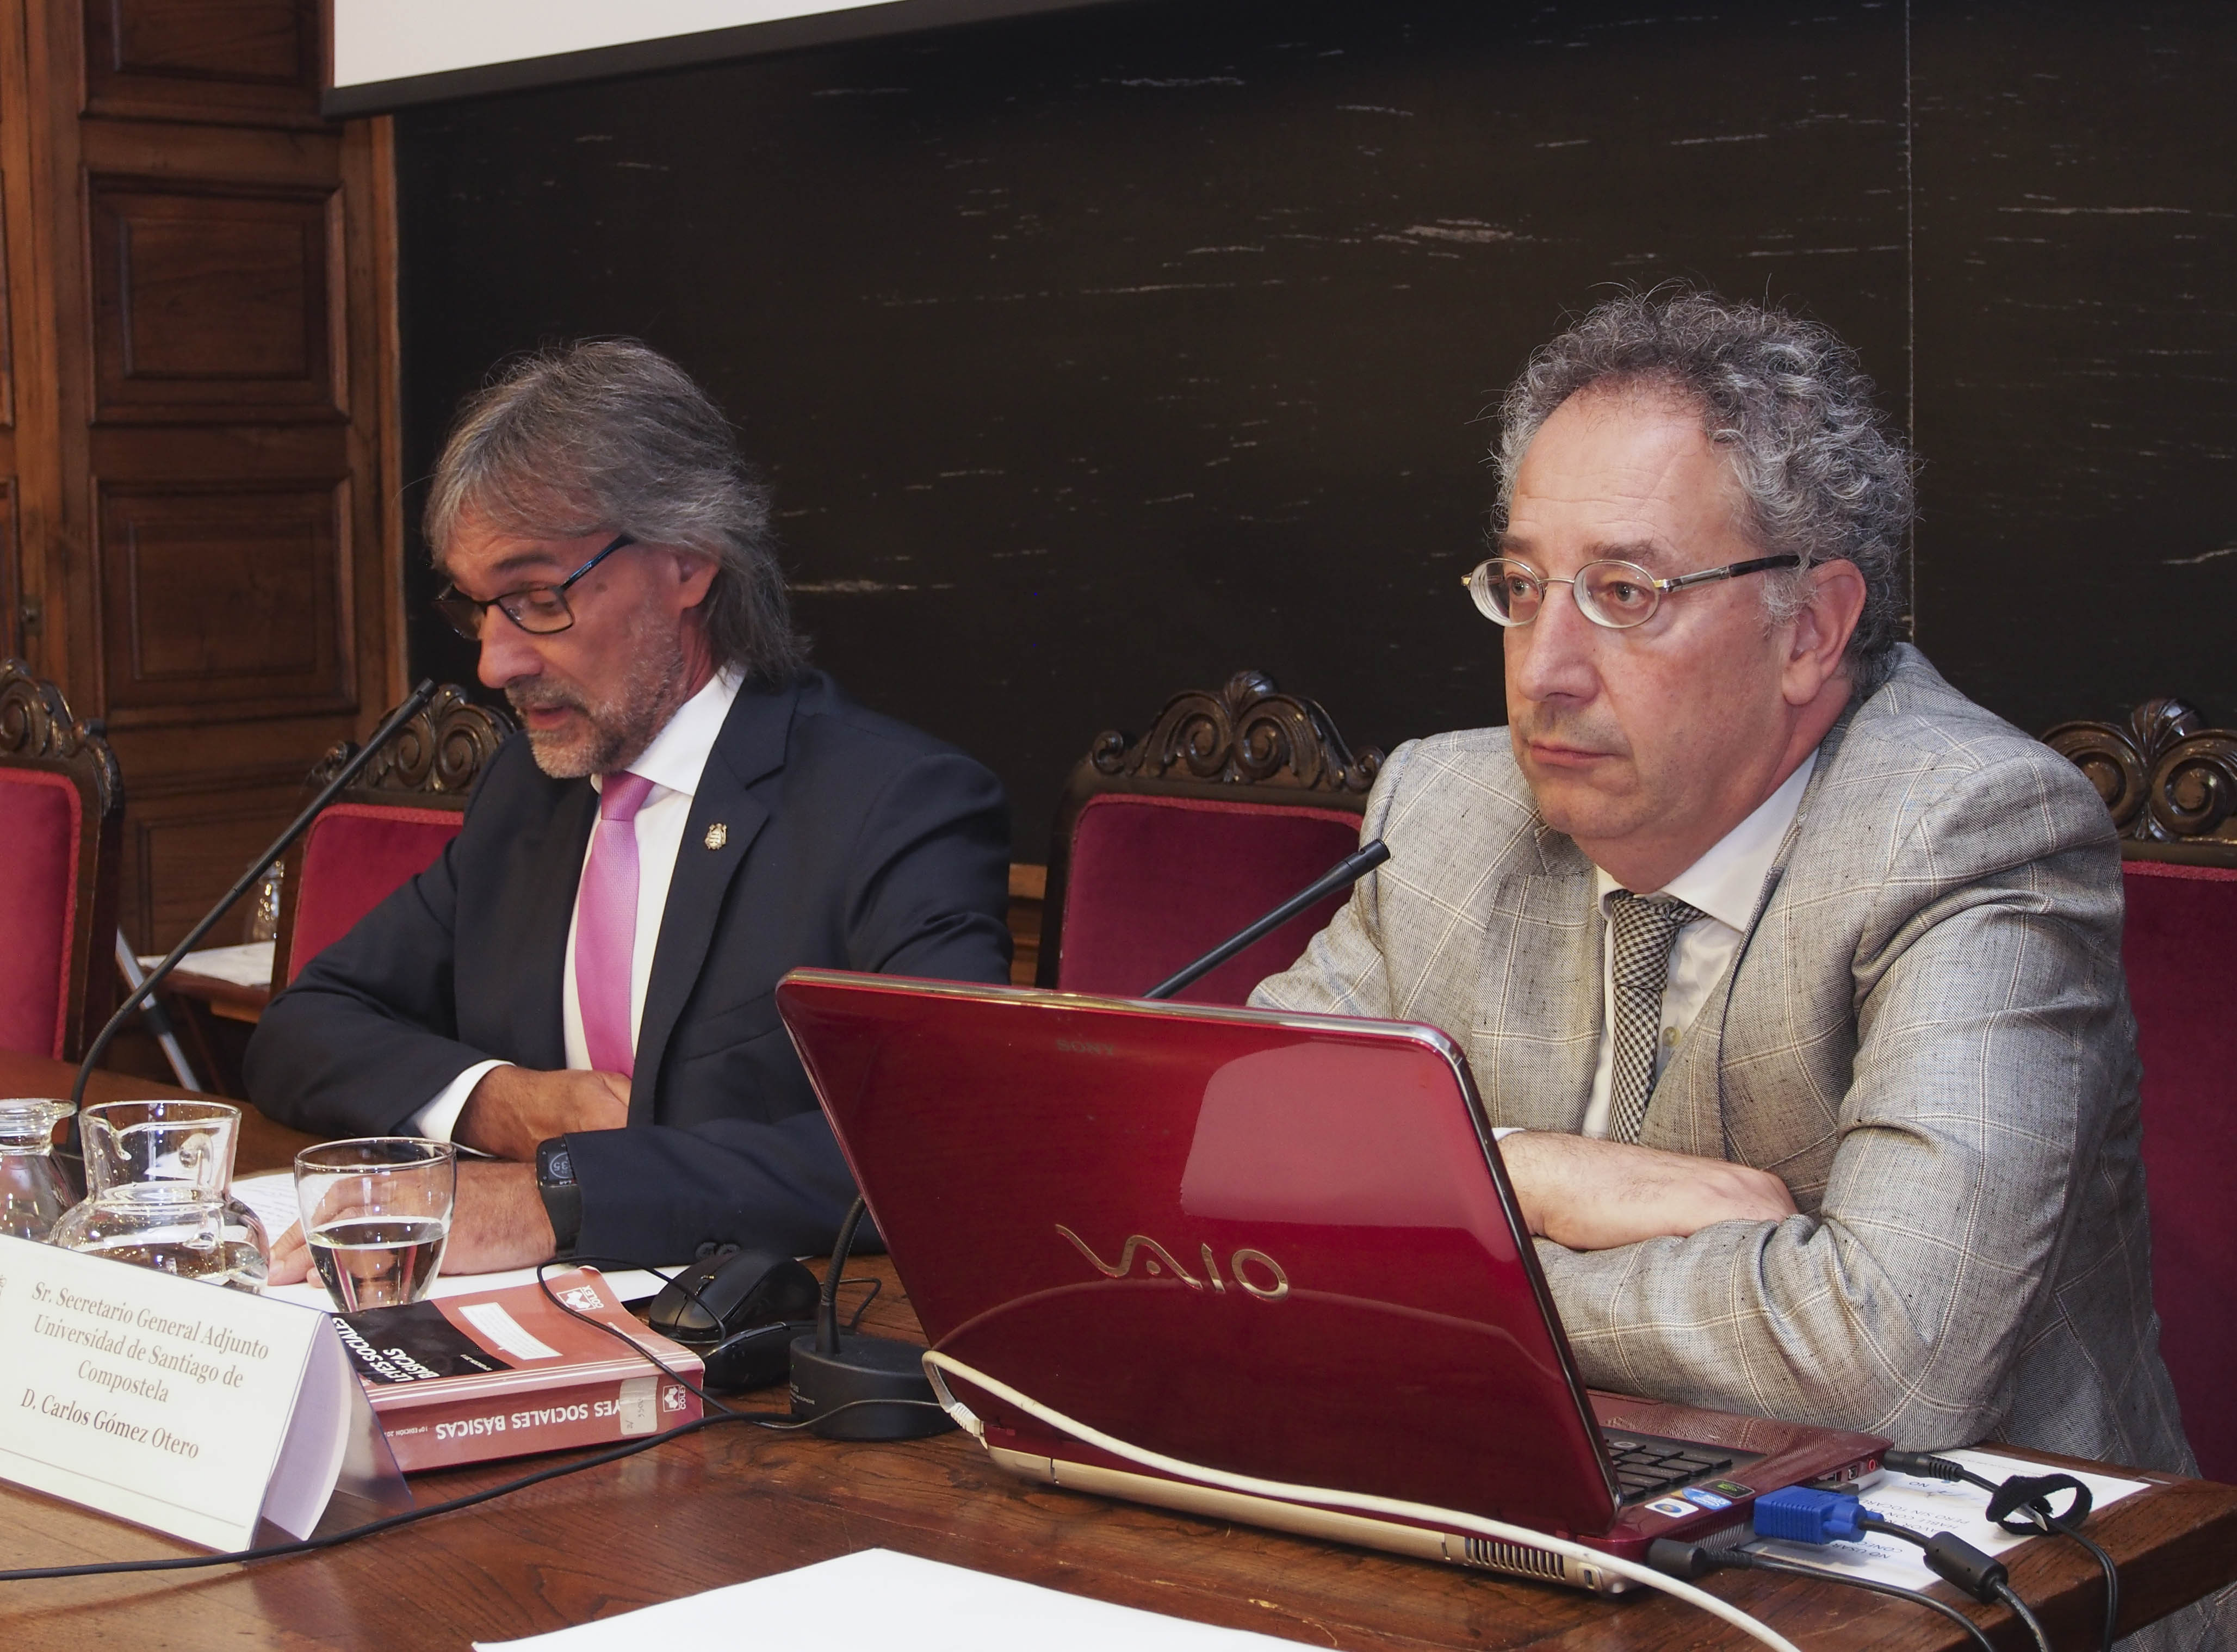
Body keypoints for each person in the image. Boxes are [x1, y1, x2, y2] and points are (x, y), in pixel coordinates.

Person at [1253, 291, 2201, 1484]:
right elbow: (1229, 1160)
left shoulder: (1968, 829)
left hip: (1965, 1548)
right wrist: (1523, 1170)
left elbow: (1891, 1358)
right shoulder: (1446, 810)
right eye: (1524, 586)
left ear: (1808, 629)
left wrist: (1417, 1248)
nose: (1543, 672)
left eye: (1624, 594)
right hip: (1529, 1491)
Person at [247, 341, 1011, 1276]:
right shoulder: (527, 797)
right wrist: (499, 1101)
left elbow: (937, 1140)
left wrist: (553, 1196)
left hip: (770, 1338)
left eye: (536, 598)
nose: (493, 662)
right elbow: (305, 1026)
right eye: (477, 608)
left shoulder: (896, 805)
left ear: (688, 563)